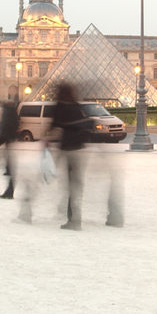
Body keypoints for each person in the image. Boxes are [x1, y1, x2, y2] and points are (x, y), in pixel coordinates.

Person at [47, 83, 88, 230]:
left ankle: (72, 219)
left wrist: (46, 141)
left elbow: (53, 126)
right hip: (79, 150)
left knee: (69, 185)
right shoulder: (76, 105)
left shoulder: (60, 106)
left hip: (67, 148)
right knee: (75, 185)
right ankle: (75, 216)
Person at [0, 102, 19, 199]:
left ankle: (10, 191)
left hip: (9, 141)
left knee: (11, 167)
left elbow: (5, 128)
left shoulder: (7, 114)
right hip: (12, 140)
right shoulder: (13, 113)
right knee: (10, 167)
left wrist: (1, 139)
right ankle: (10, 190)